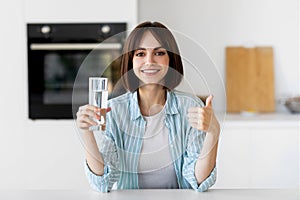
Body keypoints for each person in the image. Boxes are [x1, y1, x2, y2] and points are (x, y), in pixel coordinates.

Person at [76, 21, 220, 192]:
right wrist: (87, 133)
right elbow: (101, 183)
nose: (150, 61)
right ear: (130, 61)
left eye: (159, 53)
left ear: (171, 60)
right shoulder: (113, 110)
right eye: (140, 54)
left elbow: (198, 181)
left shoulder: (190, 106)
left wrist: (214, 133)